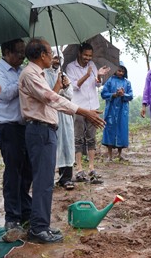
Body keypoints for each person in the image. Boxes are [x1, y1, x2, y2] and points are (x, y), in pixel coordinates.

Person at [19, 38, 105, 243]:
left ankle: (42, 225)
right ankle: (38, 229)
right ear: (42, 55)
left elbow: (54, 96)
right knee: (43, 181)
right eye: (50, 52)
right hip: (39, 130)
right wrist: (83, 111)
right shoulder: (30, 74)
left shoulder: (38, 74)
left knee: (46, 180)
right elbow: (51, 98)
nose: (53, 56)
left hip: (47, 130)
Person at [0, 39, 32, 239]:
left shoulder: (21, 70)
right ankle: (12, 216)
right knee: (13, 172)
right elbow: (3, 94)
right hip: (7, 127)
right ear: (6, 52)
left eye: (24, 53)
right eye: (19, 53)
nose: (22, 56)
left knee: (27, 170)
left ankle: (25, 209)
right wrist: (23, 79)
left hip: (24, 126)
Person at [65, 42, 109, 183]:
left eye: (90, 56)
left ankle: (91, 167)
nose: (87, 58)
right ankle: (79, 168)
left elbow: (97, 84)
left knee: (91, 138)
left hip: (93, 106)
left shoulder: (93, 65)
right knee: (78, 138)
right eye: (85, 55)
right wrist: (87, 75)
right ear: (79, 53)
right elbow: (73, 87)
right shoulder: (70, 67)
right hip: (78, 107)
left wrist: (99, 76)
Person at [45, 52, 75, 190]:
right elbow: (47, 95)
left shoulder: (64, 75)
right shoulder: (43, 74)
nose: (56, 61)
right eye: (54, 57)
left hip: (65, 114)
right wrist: (58, 89)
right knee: (52, 146)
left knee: (67, 144)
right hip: (50, 113)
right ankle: (48, 178)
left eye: (59, 58)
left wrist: (66, 86)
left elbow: (70, 96)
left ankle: (66, 178)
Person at [101, 65, 133, 161]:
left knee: (121, 130)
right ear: (115, 70)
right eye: (119, 70)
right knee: (109, 130)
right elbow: (103, 94)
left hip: (122, 111)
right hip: (111, 110)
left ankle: (120, 154)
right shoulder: (109, 81)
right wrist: (114, 94)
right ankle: (110, 155)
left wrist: (124, 95)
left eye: (122, 71)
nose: (121, 73)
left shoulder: (127, 83)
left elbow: (131, 96)